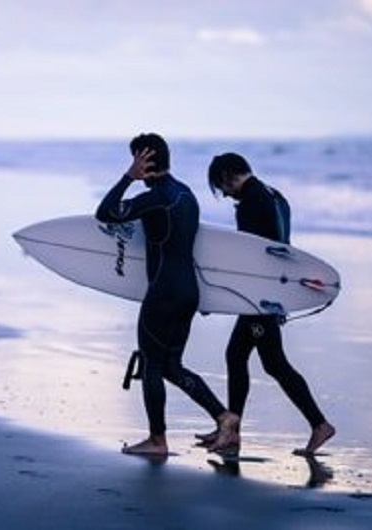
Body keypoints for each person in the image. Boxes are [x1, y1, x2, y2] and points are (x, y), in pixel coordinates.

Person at [95, 133, 239, 456]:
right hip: (189, 292)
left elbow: (105, 213)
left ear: (142, 161)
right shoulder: (187, 195)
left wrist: (128, 178)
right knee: (172, 366)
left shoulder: (156, 197)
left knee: (152, 365)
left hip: (163, 293)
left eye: (134, 159)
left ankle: (157, 440)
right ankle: (224, 417)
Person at [201, 152, 335, 457]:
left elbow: (252, 259)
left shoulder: (251, 202)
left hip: (260, 298)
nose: (223, 193)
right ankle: (231, 428)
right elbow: (281, 249)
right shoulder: (274, 195)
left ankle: (319, 424)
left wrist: (221, 296)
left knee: (272, 363)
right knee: (240, 356)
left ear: (226, 176)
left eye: (220, 186)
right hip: (269, 294)